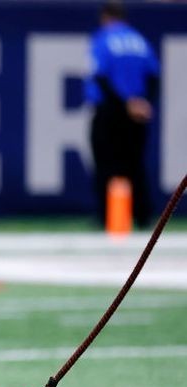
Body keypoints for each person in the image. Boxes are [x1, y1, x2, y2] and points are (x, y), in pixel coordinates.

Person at [86, 1, 160, 229]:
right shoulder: (139, 41)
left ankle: (107, 218)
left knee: (105, 165)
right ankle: (143, 217)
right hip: (137, 112)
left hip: (110, 110)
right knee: (135, 165)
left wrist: (124, 103)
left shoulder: (103, 38)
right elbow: (154, 76)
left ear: (106, 17)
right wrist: (142, 102)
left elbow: (100, 76)